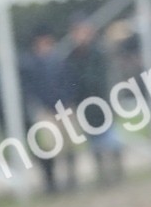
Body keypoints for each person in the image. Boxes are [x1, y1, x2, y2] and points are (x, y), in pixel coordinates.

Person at [66, 17, 123, 184]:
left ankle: (117, 170)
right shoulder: (72, 56)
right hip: (84, 104)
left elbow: (101, 79)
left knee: (111, 139)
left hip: (102, 101)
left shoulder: (99, 53)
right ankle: (102, 172)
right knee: (94, 142)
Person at [20, 25, 76, 192]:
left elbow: (69, 81)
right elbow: (31, 88)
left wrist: (66, 101)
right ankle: (51, 181)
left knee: (69, 144)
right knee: (48, 146)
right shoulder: (30, 64)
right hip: (45, 109)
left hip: (64, 106)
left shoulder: (60, 60)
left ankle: (71, 178)